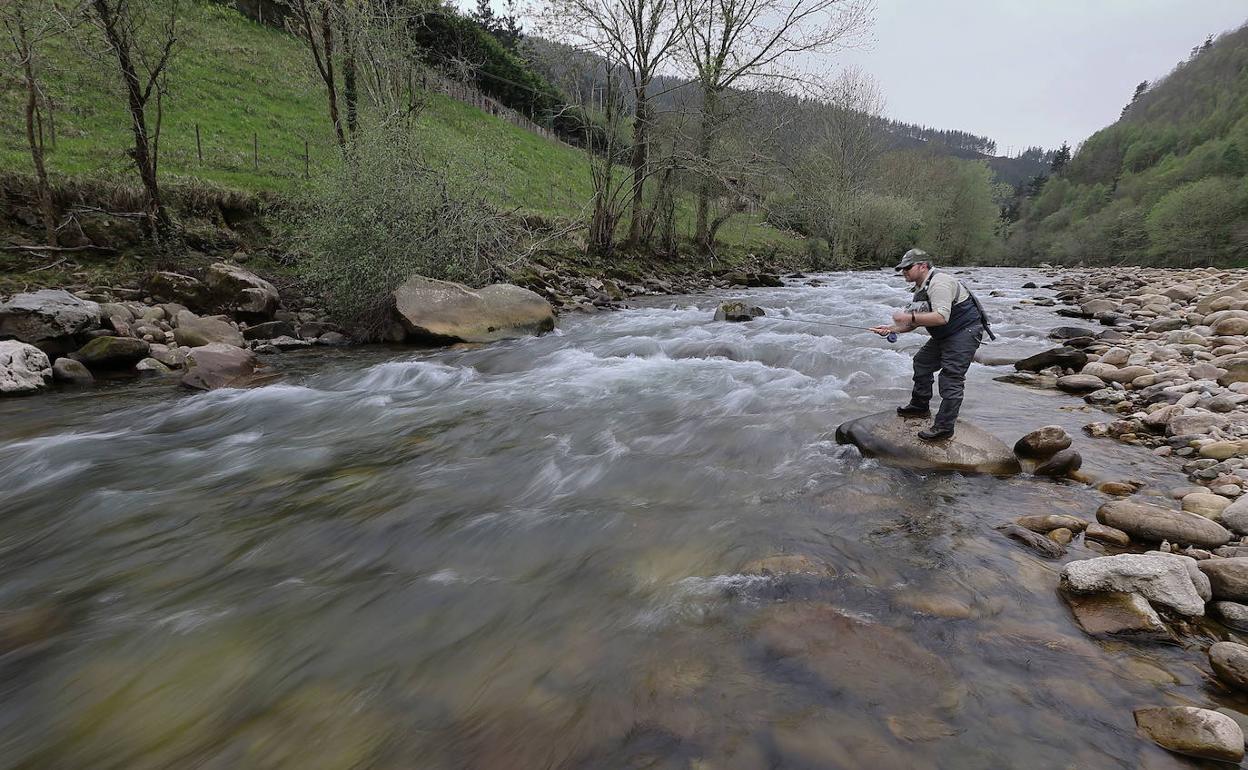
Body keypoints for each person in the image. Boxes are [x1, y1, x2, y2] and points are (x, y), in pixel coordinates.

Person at [871, 249, 995, 441]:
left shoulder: (939, 283)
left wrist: (908, 316)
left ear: (922, 266)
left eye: (907, 267)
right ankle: (920, 405)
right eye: (901, 268)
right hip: (947, 335)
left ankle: (944, 427)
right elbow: (914, 323)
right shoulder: (920, 290)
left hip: (965, 332)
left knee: (951, 377)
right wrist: (890, 329)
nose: (903, 271)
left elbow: (940, 317)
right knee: (922, 362)